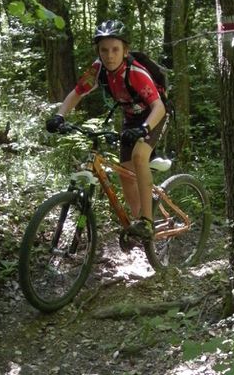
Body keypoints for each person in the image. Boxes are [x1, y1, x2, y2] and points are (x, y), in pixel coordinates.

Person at [46, 19, 167, 240]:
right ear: (98, 51)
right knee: (126, 174)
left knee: (140, 157)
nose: (109, 55)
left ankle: (148, 223)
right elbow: (77, 93)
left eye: (115, 49)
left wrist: (144, 128)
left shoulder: (136, 73)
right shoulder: (98, 70)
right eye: (104, 50)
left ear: (125, 50)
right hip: (131, 119)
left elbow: (158, 107)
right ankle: (136, 222)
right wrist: (59, 115)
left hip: (153, 116)